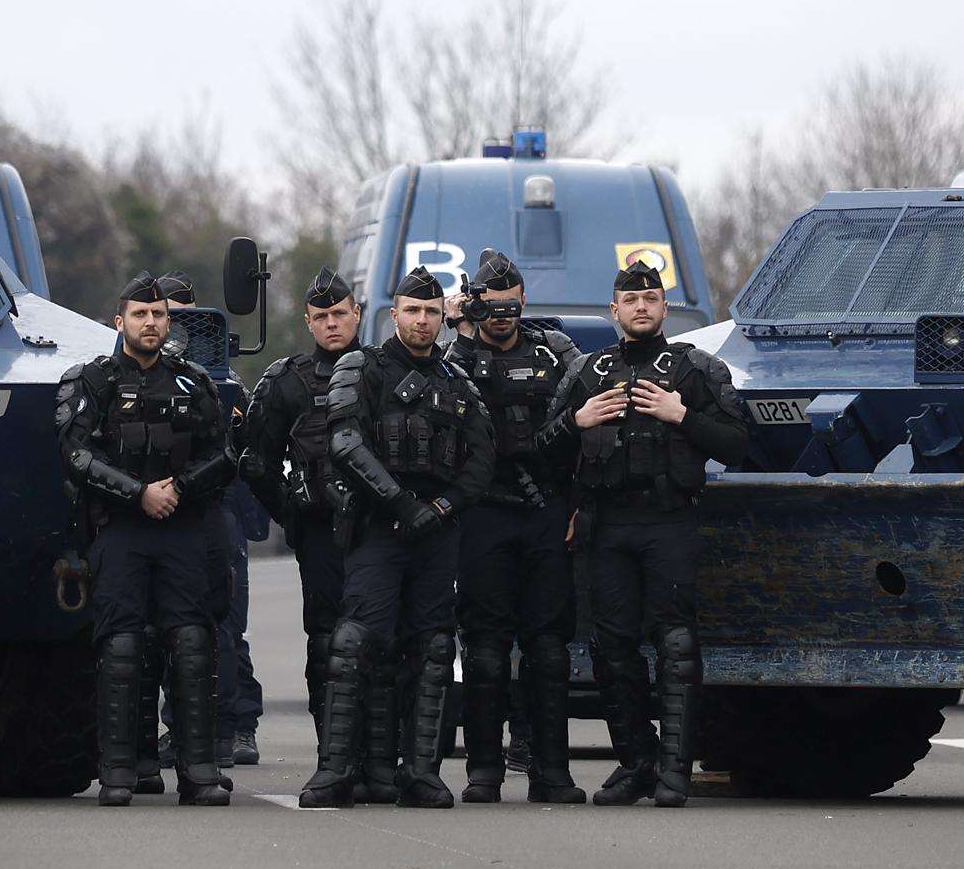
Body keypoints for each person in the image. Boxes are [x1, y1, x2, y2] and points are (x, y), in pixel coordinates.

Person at [538, 259, 750, 807]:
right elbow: (541, 452)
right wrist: (575, 422)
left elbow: (736, 444)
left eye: (651, 299)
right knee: (611, 649)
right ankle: (637, 762)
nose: (640, 307)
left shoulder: (696, 370)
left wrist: (683, 417)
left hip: (668, 523)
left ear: (663, 308)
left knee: (676, 642)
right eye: (631, 300)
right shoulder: (586, 371)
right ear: (614, 309)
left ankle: (675, 771)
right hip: (605, 527)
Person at [297, 266, 494, 810]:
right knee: (356, 643)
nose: (423, 320)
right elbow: (344, 441)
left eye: (432, 311)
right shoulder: (363, 369)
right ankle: (335, 770)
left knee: (432, 648)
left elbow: (481, 463)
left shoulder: (459, 383)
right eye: (413, 310)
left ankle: (422, 772)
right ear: (393, 314)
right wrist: (401, 504)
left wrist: (438, 508)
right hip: (378, 527)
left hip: (436, 531)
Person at [55, 271, 236, 807]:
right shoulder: (91, 381)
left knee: (191, 644)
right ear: (120, 322)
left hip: (182, 529)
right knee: (122, 646)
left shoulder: (193, 382)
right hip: (121, 532)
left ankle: (198, 772)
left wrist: (177, 488)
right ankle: (118, 772)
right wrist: (138, 494)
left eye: (158, 315)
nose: (151, 323)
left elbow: (225, 453)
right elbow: (76, 454)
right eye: (140, 314)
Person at [443, 251, 587, 805]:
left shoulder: (557, 352)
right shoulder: (454, 357)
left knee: (549, 648)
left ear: (524, 299)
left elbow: (585, 432)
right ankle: (484, 771)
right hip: (482, 515)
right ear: (475, 303)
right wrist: (456, 323)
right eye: (489, 304)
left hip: (546, 513)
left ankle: (551, 772)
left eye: (509, 304)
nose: (500, 316)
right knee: (483, 647)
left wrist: (578, 505)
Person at [242, 267, 361, 760]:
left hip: (383, 532)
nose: (332, 324)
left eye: (340, 314)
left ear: (356, 313)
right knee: (327, 641)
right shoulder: (286, 383)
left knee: (386, 639)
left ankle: (381, 754)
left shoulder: (384, 371)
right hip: (320, 533)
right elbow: (255, 461)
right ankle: (333, 749)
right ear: (308, 322)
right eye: (322, 317)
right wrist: (291, 512)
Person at [154, 269, 266, 770]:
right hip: (160, 509)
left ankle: (238, 723)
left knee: (224, 626)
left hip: (217, 512)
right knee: (165, 630)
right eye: (161, 314)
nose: (171, 326)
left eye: (181, 316)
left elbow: (244, 454)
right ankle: (182, 726)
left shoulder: (223, 385)